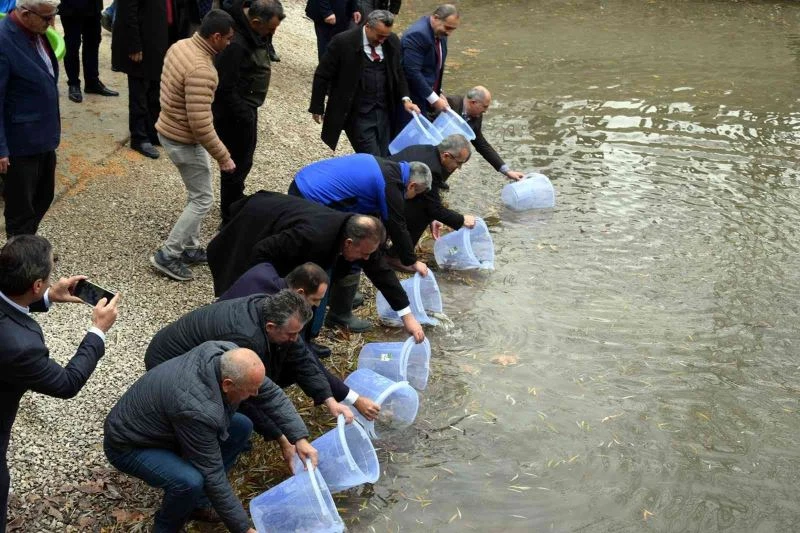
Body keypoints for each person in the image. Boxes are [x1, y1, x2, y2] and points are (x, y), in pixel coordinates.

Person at [0, 235, 120, 530]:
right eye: (49, 275)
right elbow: (67, 383)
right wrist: (98, 330)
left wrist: (47, 297)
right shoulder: (21, 346)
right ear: (36, 284)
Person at [143, 291, 369, 441]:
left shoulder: (273, 310)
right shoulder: (246, 339)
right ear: (270, 327)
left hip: (201, 349)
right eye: (291, 334)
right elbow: (246, 394)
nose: (295, 339)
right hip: (168, 360)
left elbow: (302, 359)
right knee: (223, 408)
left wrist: (330, 400)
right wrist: (280, 437)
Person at [208, 191, 426, 341]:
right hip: (255, 224)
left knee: (309, 296)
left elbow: (382, 273)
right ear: (349, 243)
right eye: (364, 254)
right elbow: (262, 251)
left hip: (287, 232)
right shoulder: (312, 238)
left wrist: (407, 317)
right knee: (246, 289)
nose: (367, 259)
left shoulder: (363, 238)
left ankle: (305, 342)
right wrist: (270, 288)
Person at [105, 342, 268, 531]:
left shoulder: (220, 355)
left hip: (165, 427)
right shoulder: (195, 409)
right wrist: (244, 528)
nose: (256, 393)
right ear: (227, 384)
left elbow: (269, 393)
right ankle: (164, 529)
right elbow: (212, 472)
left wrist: (291, 438)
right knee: (189, 481)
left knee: (241, 426)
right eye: (250, 389)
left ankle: (199, 504)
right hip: (129, 444)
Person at [289, 153, 431, 329]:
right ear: (412, 185)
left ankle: (337, 297)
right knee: (332, 260)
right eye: (416, 194)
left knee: (359, 252)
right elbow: (397, 225)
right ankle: (330, 315)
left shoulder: (389, 168)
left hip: (305, 179)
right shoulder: (390, 186)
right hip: (310, 197)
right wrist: (411, 261)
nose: (412, 198)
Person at [150, 9, 236, 282]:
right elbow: (200, 125)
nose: (230, 43)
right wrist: (223, 156)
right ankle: (168, 254)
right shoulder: (202, 70)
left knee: (197, 193)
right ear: (216, 36)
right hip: (183, 140)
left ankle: (190, 247)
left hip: (168, 128)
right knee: (203, 199)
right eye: (228, 38)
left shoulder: (181, 46)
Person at [309, 9, 418, 157]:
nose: (382, 40)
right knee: (374, 158)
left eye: (385, 36)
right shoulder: (343, 42)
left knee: (386, 155)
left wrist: (406, 99)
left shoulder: (391, 41)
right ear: (367, 27)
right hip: (357, 113)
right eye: (379, 36)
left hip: (384, 112)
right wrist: (317, 106)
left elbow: (398, 72)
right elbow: (322, 75)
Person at [214, 0, 284, 224]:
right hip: (235, 113)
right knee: (235, 163)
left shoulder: (252, 33)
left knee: (244, 160)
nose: (272, 34)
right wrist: (244, 113)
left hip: (245, 108)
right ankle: (229, 213)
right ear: (255, 22)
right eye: (270, 29)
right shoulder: (237, 44)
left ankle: (234, 200)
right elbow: (224, 87)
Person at [0, 0, 61, 237]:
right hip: (20, 144)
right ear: (25, 14)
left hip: (43, 135)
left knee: (43, 197)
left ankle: (27, 245)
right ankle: (18, 254)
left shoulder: (37, 31)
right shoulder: (4, 42)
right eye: (47, 17)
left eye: (54, 15)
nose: (52, 22)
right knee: (20, 211)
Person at [388, 134, 477, 258]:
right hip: (388, 199)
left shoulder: (425, 149)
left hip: (392, 188)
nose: (459, 168)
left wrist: (433, 219)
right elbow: (434, 208)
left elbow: (429, 198)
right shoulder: (431, 170)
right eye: (459, 163)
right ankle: (399, 256)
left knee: (426, 207)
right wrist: (462, 220)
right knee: (423, 212)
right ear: (446, 156)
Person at [219, 261, 332, 357]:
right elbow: (296, 354)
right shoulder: (276, 308)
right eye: (315, 299)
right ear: (300, 293)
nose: (318, 305)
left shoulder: (265, 268)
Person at [111, 0, 170, 159]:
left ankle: (152, 132)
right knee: (139, 91)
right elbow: (127, 11)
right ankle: (139, 137)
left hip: (157, 37)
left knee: (154, 91)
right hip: (141, 41)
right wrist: (134, 45)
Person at [445, 87, 525, 181]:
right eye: (484, 106)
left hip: (450, 158)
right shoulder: (449, 103)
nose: (486, 111)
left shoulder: (477, 115)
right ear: (473, 102)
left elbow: (481, 144)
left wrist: (507, 171)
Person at [400, 4, 460, 122]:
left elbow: (435, 66)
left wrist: (438, 92)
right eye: (448, 28)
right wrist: (435, 99)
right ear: (435, 18)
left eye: (453, 29)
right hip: (412, 98)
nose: (449, 33)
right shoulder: (417, 35)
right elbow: (412, 72)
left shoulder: (440, 32)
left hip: (427, 94)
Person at [58, 0, 118, 103]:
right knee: (72, 44)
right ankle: (73, 84)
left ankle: (92, 82)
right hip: (71, 7)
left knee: (93, 42)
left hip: (93, 6)